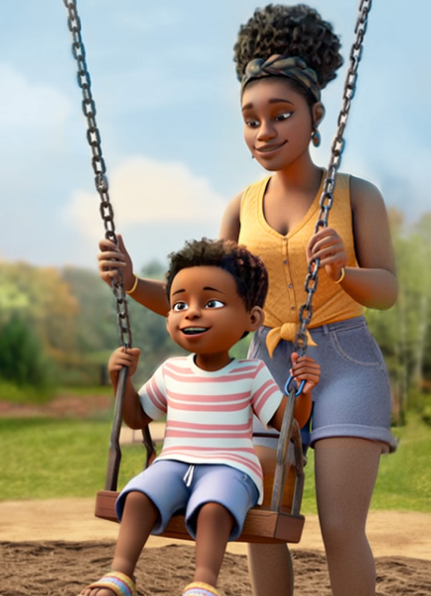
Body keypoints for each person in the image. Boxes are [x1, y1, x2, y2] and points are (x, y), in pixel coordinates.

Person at [93, 7, 401, 595]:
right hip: (264, 368)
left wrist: (345, 270)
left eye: (281, 115)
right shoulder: (240, 205)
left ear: (315, 116)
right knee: (261, 522)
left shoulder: (356, 195)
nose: (265, 131)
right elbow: (214, 305)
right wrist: (133, 282)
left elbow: (386, 290)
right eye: (251, 119)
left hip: (344, 363)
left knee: (339, 526)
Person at [85, 240, 318, 596]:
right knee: (137, 497)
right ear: (169, 317)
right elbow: (136, 418)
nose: (191, 313)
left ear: (252, 319)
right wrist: (121, 380)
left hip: (231, 468)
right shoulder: (171, 372)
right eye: (179, 304)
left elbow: (288, 422)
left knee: (213, 507)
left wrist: (302, 391)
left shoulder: (251, 373)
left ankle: (203, 583)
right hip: (174, 464)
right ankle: (119, 576)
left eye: (211, 303)